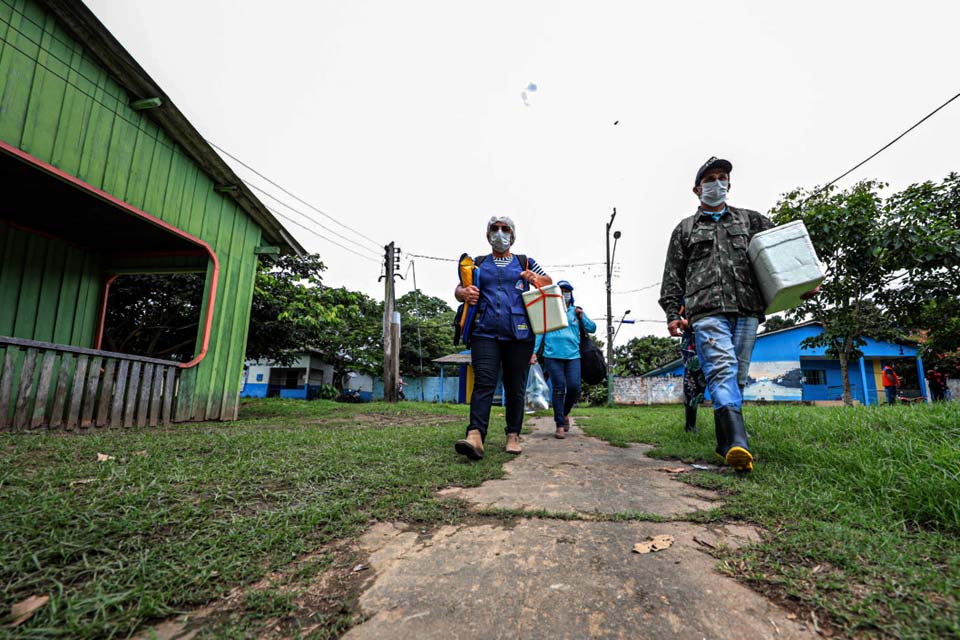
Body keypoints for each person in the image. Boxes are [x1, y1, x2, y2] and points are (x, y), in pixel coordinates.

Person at [659, 156, 817, 472]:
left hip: (747, 308)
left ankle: (725, 444)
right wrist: (671, 311)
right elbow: (673, 272)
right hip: (705, 310)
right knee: (721, 368)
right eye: (710, 179)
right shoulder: (686, 229)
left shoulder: (750, 220)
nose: (717, 183)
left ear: (729, 184)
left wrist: (804, 279)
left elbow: (781, 250)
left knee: (737, 375)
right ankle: (737, 442)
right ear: (697, 189)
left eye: (722, 177)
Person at [454, 216, 552, 459]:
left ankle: (513, 435)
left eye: (505, 229)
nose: (500, 233)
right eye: (494, 229)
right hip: (484, 332)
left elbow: (549, 283)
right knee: (484, 383)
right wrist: (464, 293)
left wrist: (534, 279)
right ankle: (475, 435)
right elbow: (458, 290)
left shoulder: (525, 261)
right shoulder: (477, 263)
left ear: (513, 235)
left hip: (519, 334)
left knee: (515, 386)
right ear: (488, 236)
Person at [532, 280, 597, 439]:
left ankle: (565, 412)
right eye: (561, 290)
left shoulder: (576, 311)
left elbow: (592, 328)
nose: (564, 294)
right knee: (559, 388)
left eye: (567, 291)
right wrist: (534, 353)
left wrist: (582, 317)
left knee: (574, 387)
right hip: (552, 355)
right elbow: (540, 333)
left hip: (573, 356)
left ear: (571, 294)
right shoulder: (548, 311)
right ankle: (559, 424)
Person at [679, 305, 706, 433]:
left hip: (721, 332)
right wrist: (680, 320)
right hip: (693, 336)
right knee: (692, 382)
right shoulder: (686, 288)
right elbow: (674, 307)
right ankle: (690, 425)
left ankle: (731, 428)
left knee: (725, 377)